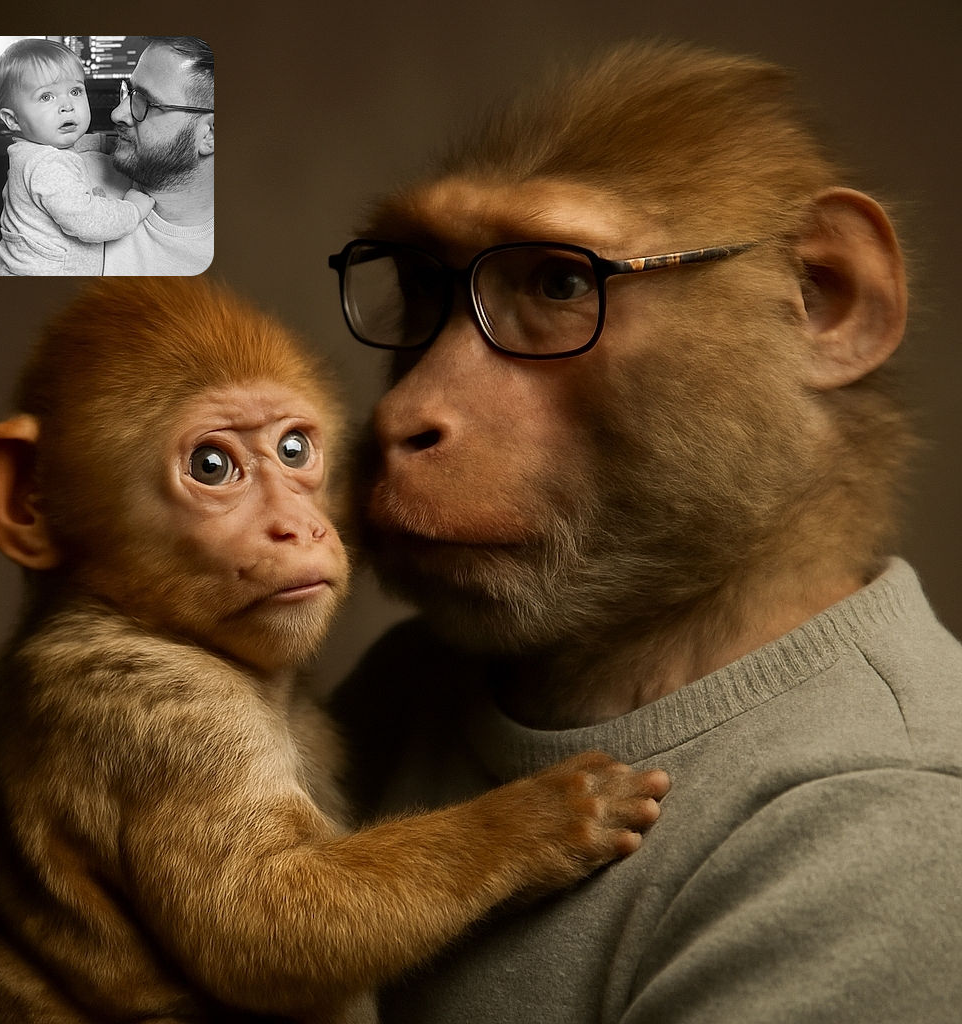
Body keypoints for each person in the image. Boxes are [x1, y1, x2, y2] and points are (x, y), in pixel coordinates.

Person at [331, 41, 962, 1023]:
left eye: (556, 285)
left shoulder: (880, 817)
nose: (405, 407)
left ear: (825, 301)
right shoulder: (418, 686)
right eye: (428, 287)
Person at [0, 39, 154, 276]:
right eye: (46, 97)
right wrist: (133, 210)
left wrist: (106, 143)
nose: (67, 105)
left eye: (75, 91)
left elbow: (70, 148)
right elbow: (86, 220)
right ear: (12, 120)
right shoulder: (47, 166)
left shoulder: (32, 149)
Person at [100, 37, 214, 276]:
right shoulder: (69, 177)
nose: (118, 114)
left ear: (210, 134)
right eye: (128, 93)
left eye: (146, 103)